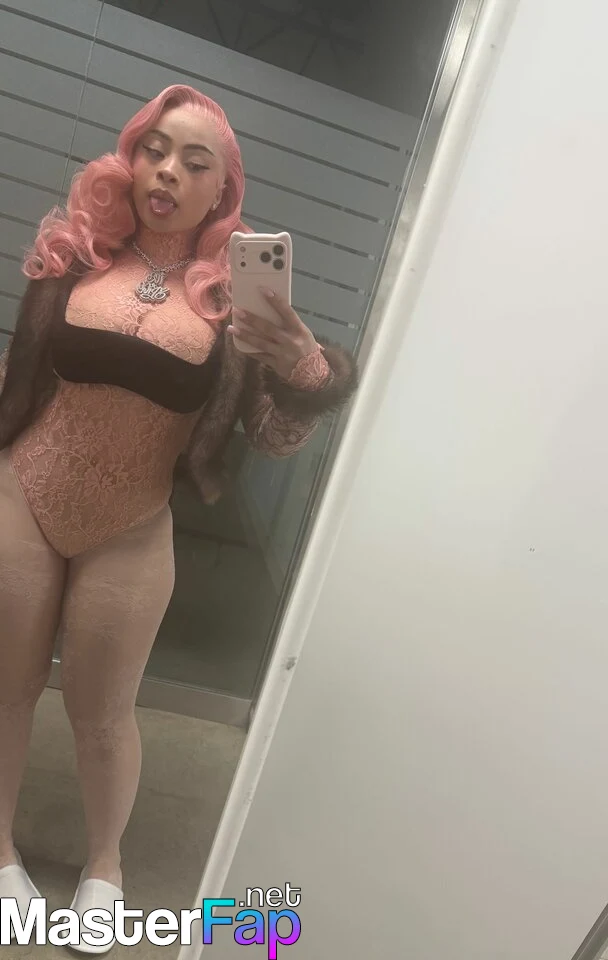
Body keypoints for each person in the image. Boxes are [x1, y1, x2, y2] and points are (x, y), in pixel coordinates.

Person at [0, 84, 357, 952]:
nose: (167, 171)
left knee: (103, 713)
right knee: (6, 688)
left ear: (221, 191)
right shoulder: (76, 259)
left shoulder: (232, 306)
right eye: (155, 150)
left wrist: (305, 369)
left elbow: (272, 439)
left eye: (194, 163)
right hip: (22, 497)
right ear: (131, 159)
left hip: (132, 524)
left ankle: (106, 865)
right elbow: (22, 383)